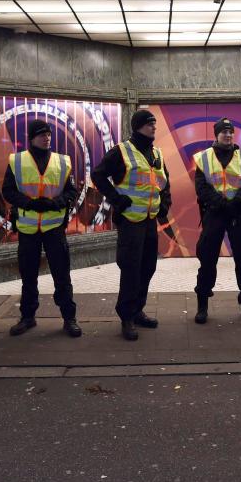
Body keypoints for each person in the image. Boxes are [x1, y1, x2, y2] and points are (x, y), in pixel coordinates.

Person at [91, 109, 171, 340]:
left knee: (148, 267)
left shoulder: (156, 153)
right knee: (131, 268)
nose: (153, 127)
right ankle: (126, 317)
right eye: (149, 124)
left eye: (155, 123)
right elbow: (98, 175)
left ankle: (137, 311)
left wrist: (165, 203)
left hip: (149, 221)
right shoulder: (121, 151)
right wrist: (116, 199)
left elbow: (164, 182)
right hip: (130, 221)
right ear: (137, 126)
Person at [1, 119, 82, 338]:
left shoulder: (62, 161)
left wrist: (56, 203)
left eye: (48, 134)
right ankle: (27, 317)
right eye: (41, 134)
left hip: (54, 227)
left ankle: (69, 318)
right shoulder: (16, 161)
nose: (46, 137)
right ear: (31, 137)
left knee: (62, 274)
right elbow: (7, 191)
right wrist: (29, 203)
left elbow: (71, 191)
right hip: (28, 229)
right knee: (28, 276)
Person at [192, 117, 241, 324]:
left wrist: (236, 202)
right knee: (207, 261)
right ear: (217, 135)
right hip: (214, 214)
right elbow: (201, 187)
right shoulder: (204, 158)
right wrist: (221, 204)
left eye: (231, 132)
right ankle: (202, 305)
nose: (228, 135)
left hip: (238, 215)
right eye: (224, 132)